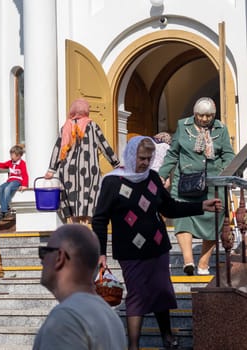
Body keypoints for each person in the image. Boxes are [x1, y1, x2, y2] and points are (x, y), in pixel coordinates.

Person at [92, 136, 222, 350]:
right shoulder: (113, 181)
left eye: (149, 158)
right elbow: (100, 218)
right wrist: (100, 253)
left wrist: (201, 206)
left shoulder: (152, 178)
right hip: (130, 251)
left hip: (158, 247)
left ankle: (167, 337)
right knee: (137, 295)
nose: (145, 162)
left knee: (162, 291)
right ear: (131, 154)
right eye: (141, 158)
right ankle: (133, 345)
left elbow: (169, 208)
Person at [158, 97, 235, 276]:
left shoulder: (221, 129)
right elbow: (173, 154)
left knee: (213, 221)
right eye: (201, 115)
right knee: (182, 217)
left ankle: (203, 263)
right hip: (185, 181)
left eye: (208, 116)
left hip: (212, 183)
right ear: (194, 113)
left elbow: (228, 155)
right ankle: (188, 261)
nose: (204, 119)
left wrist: (224, 173)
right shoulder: (183, 126)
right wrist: (161, 175)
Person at [33, 223, 127, 350]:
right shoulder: (111, 317)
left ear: (59, 257)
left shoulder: (66, 318)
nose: (41, 260)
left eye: (44, 252)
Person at [44, 98, 120, 224]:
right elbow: (104, 145)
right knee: (89, 198)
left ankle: (75, 228)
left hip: (69, 172)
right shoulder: (92, 126)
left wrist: (51, 169)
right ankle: (86, 228)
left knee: (72, 199)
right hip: (89, 171)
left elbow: (58, 149)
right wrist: (116, 164)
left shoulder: (66, 127)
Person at [0, 144, 29, 220]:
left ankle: (3, 210)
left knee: (8, 188)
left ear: (19, 156)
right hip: (10, 180)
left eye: (13, 155)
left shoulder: (22, 163)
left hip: (17, 181)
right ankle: (5, 209)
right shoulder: (10, 162)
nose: (11, 157)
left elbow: (25, 174)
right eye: (11, 155)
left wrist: (25, 185)